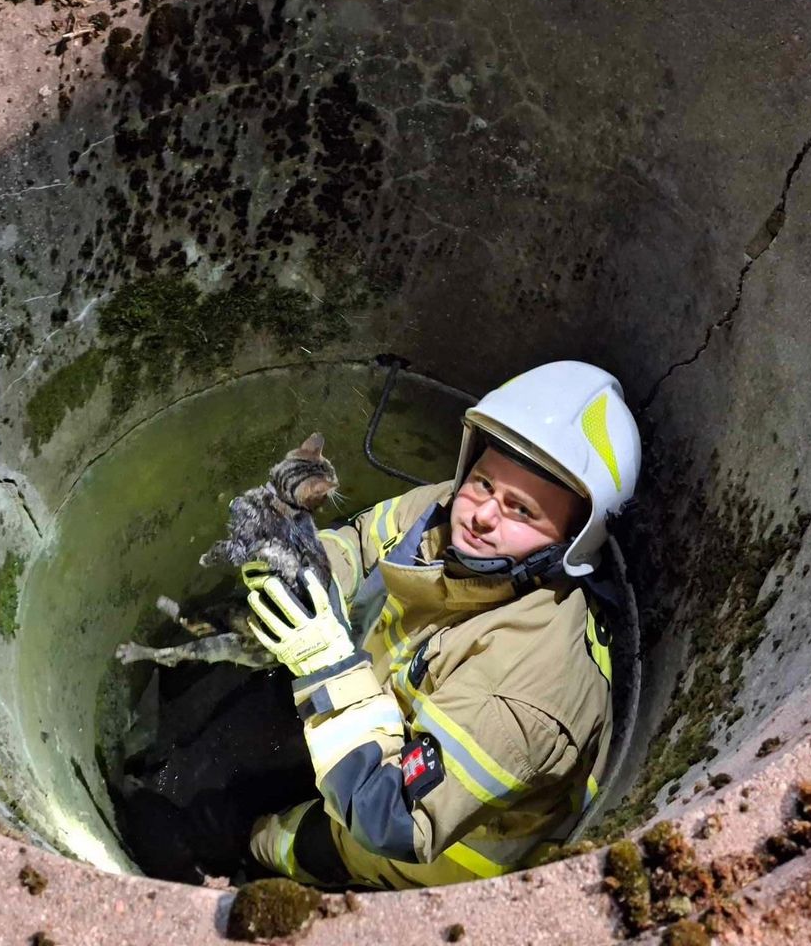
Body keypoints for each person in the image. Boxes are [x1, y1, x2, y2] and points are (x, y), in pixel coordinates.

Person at [242, 360, 641, 889]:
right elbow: (362, 544)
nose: (481, 514)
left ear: (569, 543)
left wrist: (329, 666)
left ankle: (254, 856)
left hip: (438, 845)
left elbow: (388, 817)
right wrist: (302, 568)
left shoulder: (529, 690)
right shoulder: (448, 511)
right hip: (384, 718)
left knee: (288, 842)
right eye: (484, 482)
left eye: (521, 510)